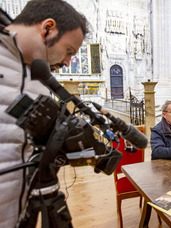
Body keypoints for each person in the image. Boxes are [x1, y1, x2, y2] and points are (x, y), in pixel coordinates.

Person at [0, 1, 88, 227]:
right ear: (47, 28)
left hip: (18, 211)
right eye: (69, 51)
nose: (68, 62)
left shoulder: (38, 79)